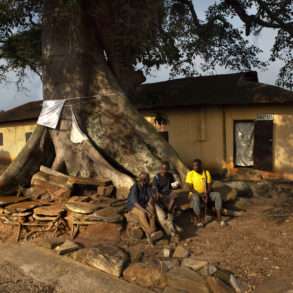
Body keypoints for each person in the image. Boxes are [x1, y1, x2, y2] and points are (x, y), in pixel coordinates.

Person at [185, 159, 224, 227]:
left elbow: (209, 185)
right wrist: (201, 195)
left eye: (196, 165)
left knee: (217, 195)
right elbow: (190, 188)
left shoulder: (206, 173)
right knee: (196, 197)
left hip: (205, 193)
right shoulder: (190, 174)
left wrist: (206, 194)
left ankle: (219, 218)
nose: (195, 167)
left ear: (200, 165)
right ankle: (199, 220)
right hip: (194, 195)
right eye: (193, 166)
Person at [152, 162, 181, 237]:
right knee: (162, 200)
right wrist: (158, 193)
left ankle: (169, 212)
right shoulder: (156, 177)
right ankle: (169, 214)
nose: (164, 170)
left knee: (175, 195)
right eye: (163, 168)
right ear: (160, 168)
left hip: (168, 193)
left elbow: (172, 185)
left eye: (166, 169)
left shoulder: (169, 175)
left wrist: (176, 184)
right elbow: (155, 188)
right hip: (160, 195)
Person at [127, 171, 158, 242]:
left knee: (152, 211)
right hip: (133, 206)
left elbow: (150, 197)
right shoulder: (135, 187)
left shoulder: (147, 186)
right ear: (141, 179)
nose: (147, 181)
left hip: (143, 204)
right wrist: (145, 211)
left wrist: (150, 203)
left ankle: (154, 230)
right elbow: (134, 202)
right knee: (142, 213)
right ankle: (150, 231)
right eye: (146, 179)